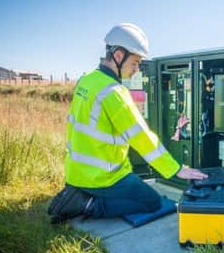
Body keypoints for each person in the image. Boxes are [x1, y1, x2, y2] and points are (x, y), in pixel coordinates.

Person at [48, 23, 207, 224]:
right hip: (104, 176)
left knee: (135, 189)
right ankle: (86, 204)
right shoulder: (114, 92)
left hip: (76, 172)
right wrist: (175, 169)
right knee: (152, 202)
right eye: (135, 62)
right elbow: (141, 137)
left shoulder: (86, 80)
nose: (136, 69)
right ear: (118, 55)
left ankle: (77, 192)